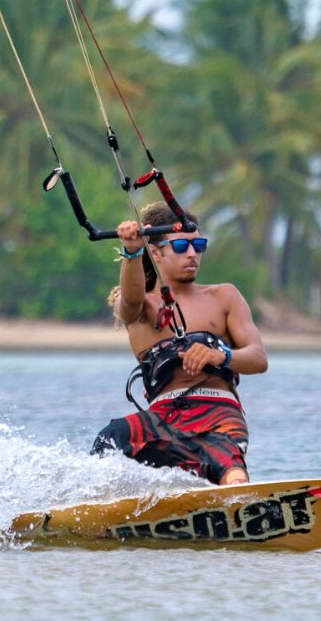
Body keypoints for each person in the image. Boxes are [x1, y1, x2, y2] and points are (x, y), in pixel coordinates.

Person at [91, 202, 268, 485]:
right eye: (181, 246)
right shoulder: (141, 307)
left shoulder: (224, 296)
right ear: (156, 252)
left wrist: (219, 355)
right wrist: (133, 251)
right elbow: (130, 303)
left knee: (227, 466)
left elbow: (258, 358)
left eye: (198, 245)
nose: (192, 253)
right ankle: (93, 511)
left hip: (218, 416)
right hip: (161, 421)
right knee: (111, 438)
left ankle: (238, 497)